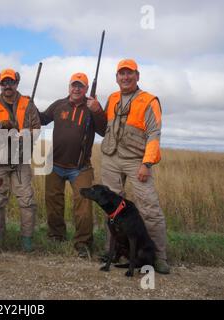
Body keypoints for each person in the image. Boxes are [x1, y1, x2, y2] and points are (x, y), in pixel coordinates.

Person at [101, 59, 170, 274]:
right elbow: (104, 125)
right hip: (110, 158)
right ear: (116, 78)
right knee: (111, 208)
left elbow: (154, 134)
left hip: (136, 161)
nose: (125, 77)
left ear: (137, 76)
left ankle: (158, 257)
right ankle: (113, 251)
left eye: (129, 73)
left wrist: (146, 163)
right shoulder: (112, 98)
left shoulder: (149, 101)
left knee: (149, 208)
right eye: (121, 74)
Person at [39, 73, 106, 258]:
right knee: (53, 202)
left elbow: (103, 131)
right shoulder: (59, 104)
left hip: (80, 167)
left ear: (86, 89)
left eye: (80, 86)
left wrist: (98, 110)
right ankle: (56, 236)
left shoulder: (91, 107)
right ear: (69, 87)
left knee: (83, 206)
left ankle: (83, 243)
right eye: (73, 85)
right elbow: (43, 118)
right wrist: (28, 106)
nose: (76, 89)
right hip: (55, 164)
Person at [0, 68, 41, 252]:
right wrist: (3, 135)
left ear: (17, 83)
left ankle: (27, 239)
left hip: (20, 160)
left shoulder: (28, 104)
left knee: (26, 199)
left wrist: (21, 136)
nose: (7, 86)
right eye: (4, 82)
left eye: (11, 82)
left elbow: (36, 129)